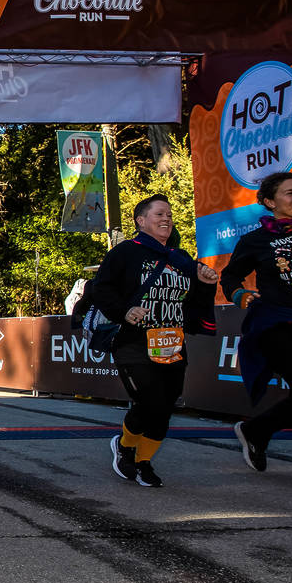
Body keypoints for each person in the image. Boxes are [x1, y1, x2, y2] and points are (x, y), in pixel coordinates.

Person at [88, 194, 218, 487]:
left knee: (164, 407)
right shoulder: (124, 253)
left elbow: (194, 299)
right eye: (159, 214)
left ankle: (144, 460)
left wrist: (208, 284)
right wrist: (125, 311)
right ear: (141, 220)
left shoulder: (182, 259)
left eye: (170, 215)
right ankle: (124, 446)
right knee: (149, 400)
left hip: (171, 343)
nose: (166, 220)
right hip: (133, 342)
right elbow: (102, 289)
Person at [221, 172, 292, 472]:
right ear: (269, 201)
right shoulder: (257, 240)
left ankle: (256, 431)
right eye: (290, 193)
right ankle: (256, 431)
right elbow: (230, 276)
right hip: (277, 325)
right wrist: (239, 294)